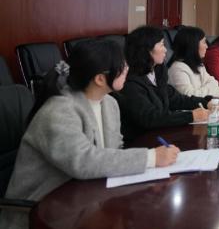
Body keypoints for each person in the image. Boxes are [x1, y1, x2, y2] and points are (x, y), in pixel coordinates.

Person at [0, 40, 179, 229]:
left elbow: (113, 151)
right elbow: (84, 161)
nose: (127, 69)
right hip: (40, 212)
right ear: (100, 79)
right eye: (122, 65)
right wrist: (151, 158)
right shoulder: (58, 110)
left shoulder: (109, 104)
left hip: (85, 200)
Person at [117, 26, 213, 141]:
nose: (166, 50)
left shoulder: (157, 73)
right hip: (141, 142)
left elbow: (177, 99)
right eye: (162, 45)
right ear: (146, 49)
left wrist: (207, 103)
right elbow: (150, 118)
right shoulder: (130, 83)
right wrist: (191, 116)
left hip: (161, 136)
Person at [168, 26, 219, 98]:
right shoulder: (177, 68)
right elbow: (189, 96)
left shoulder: (198, 64)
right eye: (204, 42)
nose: (207, 46)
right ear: (193, 45)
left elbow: (213, 82)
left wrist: (201, 90)